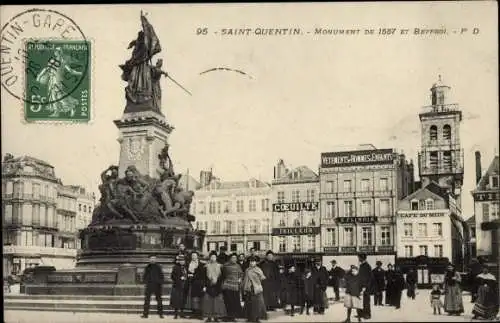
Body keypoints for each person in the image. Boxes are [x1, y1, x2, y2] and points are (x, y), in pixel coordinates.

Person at [202, 251, 226, 322]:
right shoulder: (206, 266)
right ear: (209, 258)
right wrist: (205, 285)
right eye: (211, 257)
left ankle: (216, 317)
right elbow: (204, 277)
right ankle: (209, 317)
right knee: (208, 302)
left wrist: (218, 282)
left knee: (217, 302)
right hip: (209, 285)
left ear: (216, 258)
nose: (213, 258)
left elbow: (223, 277)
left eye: (214, 257)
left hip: (217, 286)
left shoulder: (220, 266)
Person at [242, 256, 267, 323]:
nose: (252, 263)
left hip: (256, 288)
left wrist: (257, 280)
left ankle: (256, 318)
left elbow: (263, 277)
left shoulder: (258, 269)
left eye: (253, 261)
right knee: (248, 303)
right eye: (250, 261)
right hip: (249, 288)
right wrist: (245, 287)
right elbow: (245, 279)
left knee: (257, 304)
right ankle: (249, 318)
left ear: (256, 262)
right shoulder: (247, 270)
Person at [221, 253, 244, 322]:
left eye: (235, 258)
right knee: (227, 302)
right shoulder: (225, 265)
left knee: (235, 302)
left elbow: (241, 274)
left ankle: (233, 317)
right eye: (232, 258)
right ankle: (227, 316)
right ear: (230, 258)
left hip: (235, 286)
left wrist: (240, 278)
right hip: (227, 286)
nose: (234, 259)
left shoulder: (238, 266)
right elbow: (222, 275)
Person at [185, 251, 205, 319]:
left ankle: (200, 314)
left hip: (199, 283)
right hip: (191, 283)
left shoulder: (201, 264)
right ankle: (194, 313)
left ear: (197, 256)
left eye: (195, 255)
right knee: (193, 299)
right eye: (192, 255)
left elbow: (202, 275)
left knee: (199, 299)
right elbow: (187, 273)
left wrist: (192, 276)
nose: (193, 257)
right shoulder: (188, 264)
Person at [170, 254, 188, 319]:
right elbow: (172, 276)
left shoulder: (185, 267)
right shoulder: (175, 267)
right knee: (176, 300)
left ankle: (182, 313)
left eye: (183, 260)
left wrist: (186, 278)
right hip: (177, 286)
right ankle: (176, 314)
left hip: (184, 286)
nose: (182, 262)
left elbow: (187, 275)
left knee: (182, 300)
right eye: (180, 260)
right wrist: (180, 278)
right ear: (178, 261)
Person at [357, 253, 373, 319]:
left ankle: (367, 314)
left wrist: (365, 286)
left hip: (366, 287)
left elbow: (369, 278)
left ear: (362, 258)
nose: (358, 259)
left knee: (366, 301)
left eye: (359, 258)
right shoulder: (361, 266)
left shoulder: (367, 266)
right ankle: (360, 313)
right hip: (360, 286)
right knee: (360, 300)